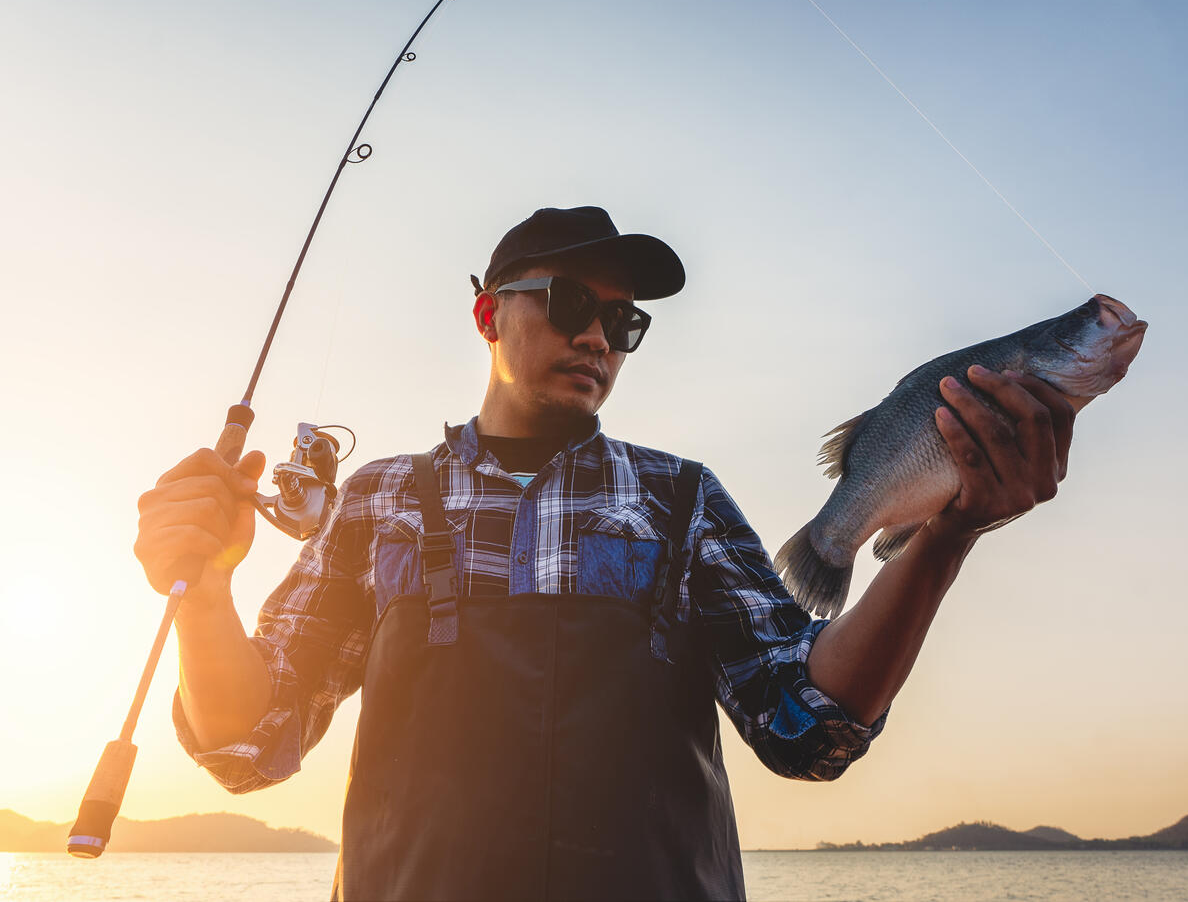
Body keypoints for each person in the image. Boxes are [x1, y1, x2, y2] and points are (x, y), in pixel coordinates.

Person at [134, 206, 1076, 901]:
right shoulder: (378, 499)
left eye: (623, 324)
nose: (598, 336)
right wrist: (206, 594)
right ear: (488, 316)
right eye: (573, 302)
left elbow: (807, 727)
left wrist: (948, 535)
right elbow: (248, 745)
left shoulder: (681, 500)